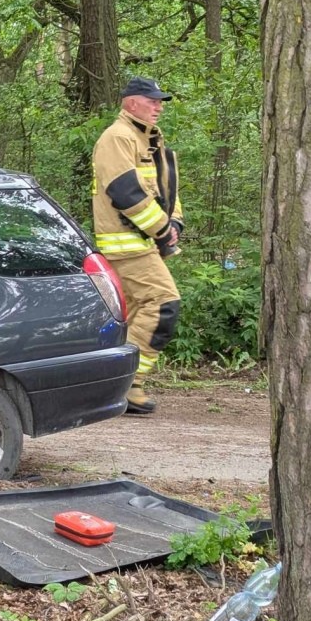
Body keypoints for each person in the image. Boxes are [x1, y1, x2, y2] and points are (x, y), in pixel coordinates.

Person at [91, 77, 183, 415]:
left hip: (141, 243)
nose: (159, 106)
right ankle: (128, 383)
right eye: (152, 100)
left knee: (128, 315)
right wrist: (162, 228)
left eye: (160, 101)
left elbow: (164, 187)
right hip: (127, 245)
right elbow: (125, 193)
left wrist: (175, 222)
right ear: (131, 103)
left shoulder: (147, 140)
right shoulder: (118, 137)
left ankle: (109, 384)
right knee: (163, 304)